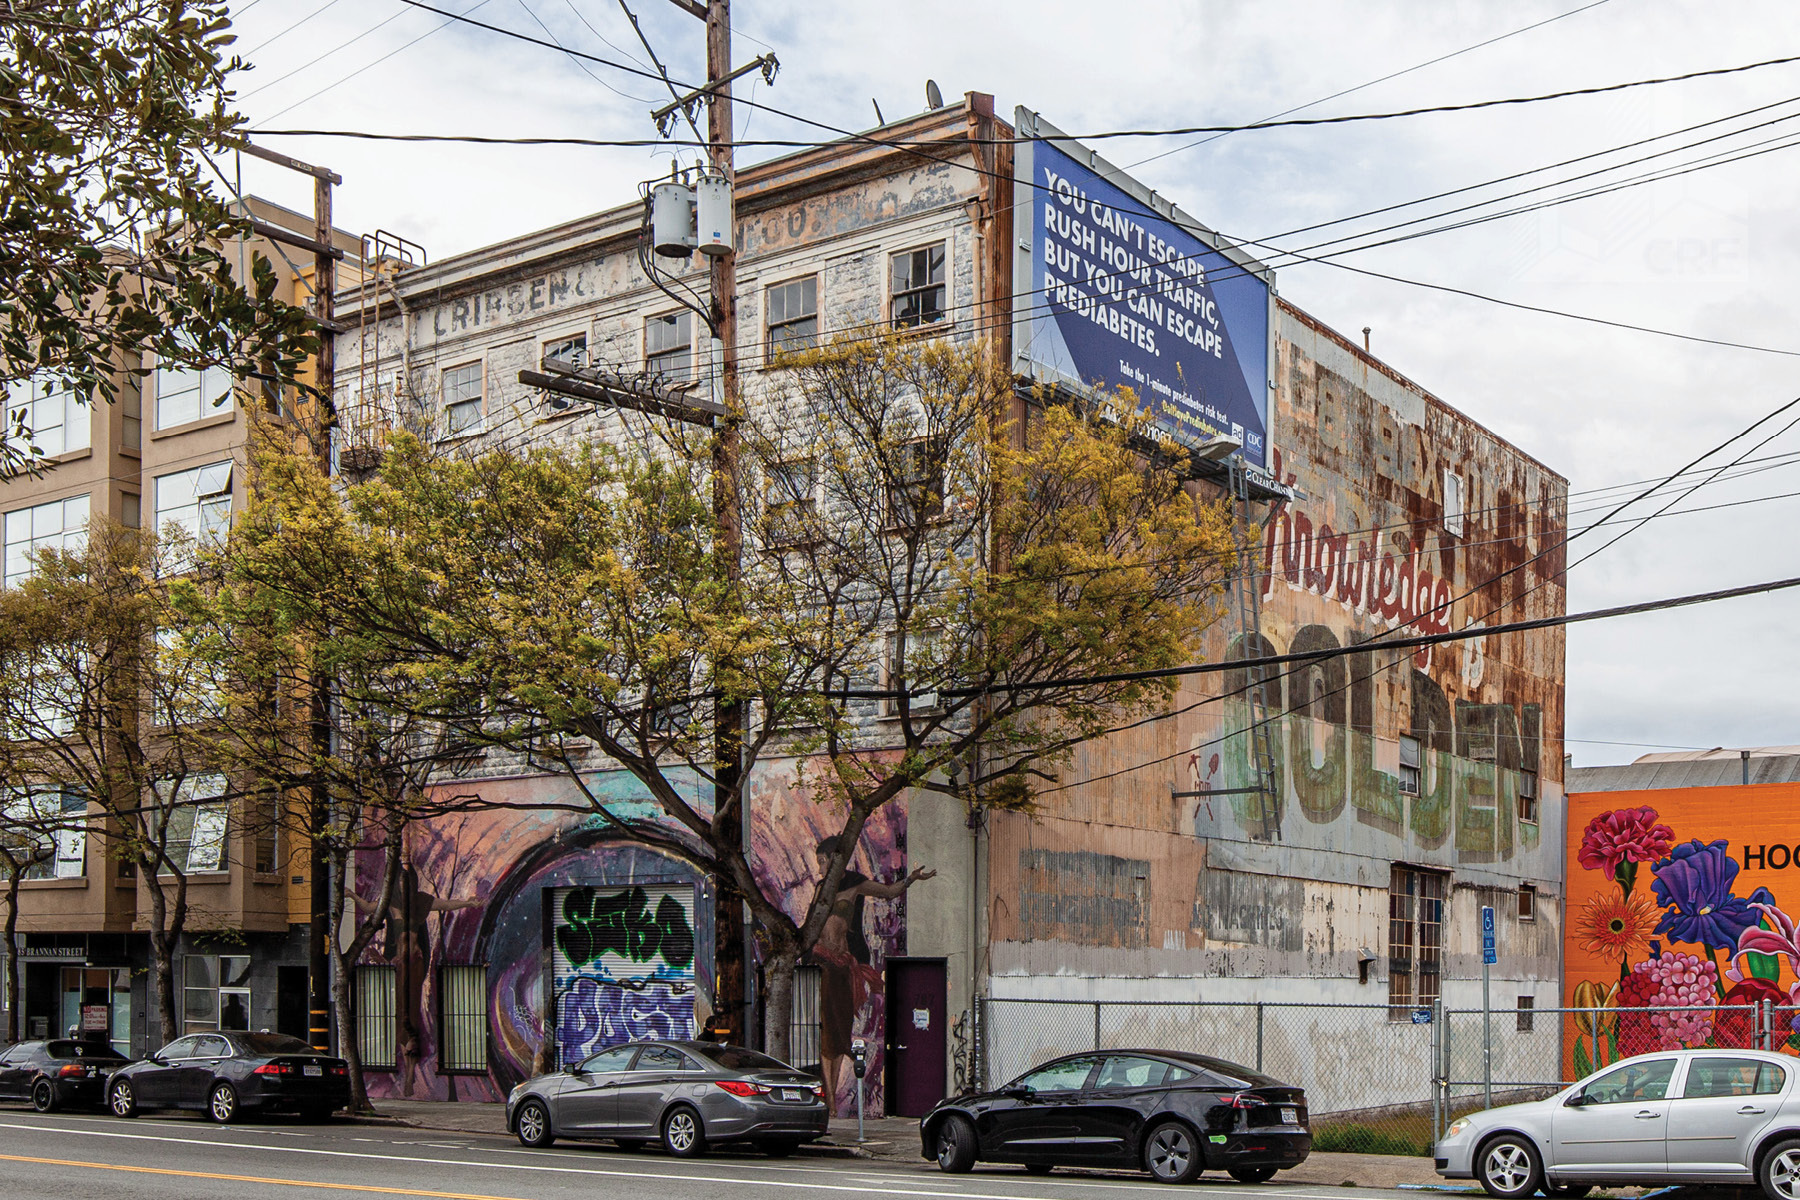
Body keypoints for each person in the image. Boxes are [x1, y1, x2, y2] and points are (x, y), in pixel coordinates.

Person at [809, 835, 934, 1117]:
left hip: (844, 964)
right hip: (826, 964)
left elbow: (889, 892)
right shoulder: (820, 889)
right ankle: (828, 1100)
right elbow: (810, 924)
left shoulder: (854, 884)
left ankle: (830, 1104)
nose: (819, 869)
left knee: (839, 1033)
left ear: (833, 859)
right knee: (830, 1033)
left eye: (821, 861)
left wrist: (912, 879)